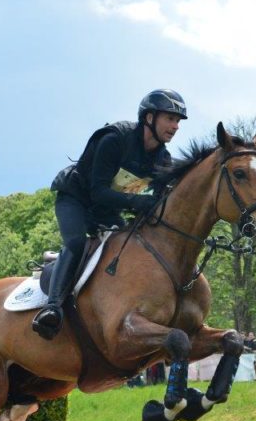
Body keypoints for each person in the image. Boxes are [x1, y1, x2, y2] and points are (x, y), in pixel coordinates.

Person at [32, 89, 187, 340]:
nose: (175, 126)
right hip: (77, 199)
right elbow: (98, 192)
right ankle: (52, 308)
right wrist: (139, 202)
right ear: (149, 117)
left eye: (178, 121)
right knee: (76, 242)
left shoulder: (163, 159)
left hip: (108, 209)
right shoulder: (115, 139)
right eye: (170, 118)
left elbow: (157, 203)